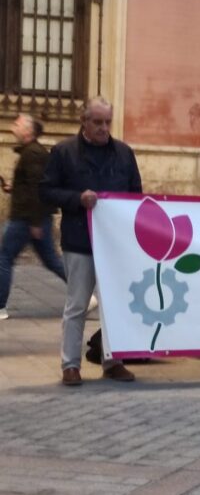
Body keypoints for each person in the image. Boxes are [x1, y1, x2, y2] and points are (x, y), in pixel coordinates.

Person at [40, 96, 143, 386]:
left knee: (114, 306)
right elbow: (47, 191)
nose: (103, 127)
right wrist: (76, 199)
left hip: (114, 245)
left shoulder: (124, 153)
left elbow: (136, 194)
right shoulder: (63, 152)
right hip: (79, 242)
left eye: (107, 122)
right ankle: (70, 365)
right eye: (97, 122)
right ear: (84, 121)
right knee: (77, 305)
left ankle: (113, 361)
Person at [0, 114, 66, 319]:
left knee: (4, 257)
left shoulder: (34, 154)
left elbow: (39, 189)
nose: (14, 125)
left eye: (18, 123)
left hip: (26, 218)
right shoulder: (30, 152)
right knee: (51, 260)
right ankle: (86, 293)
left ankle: (0, 306)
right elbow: (29, 185)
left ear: (28, 131)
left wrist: (36, 222)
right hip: (31, 218)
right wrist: (13, 188)